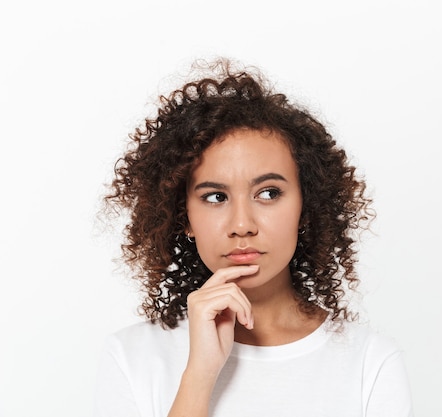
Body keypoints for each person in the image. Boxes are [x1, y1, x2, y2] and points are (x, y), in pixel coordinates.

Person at [94, 58, 414, 417]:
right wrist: (199, 375)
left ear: (305, 208)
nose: (242, 225)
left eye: (268, 193)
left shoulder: (369, 363)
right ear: (184, 216)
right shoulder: (133, 357)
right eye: (215, 197)